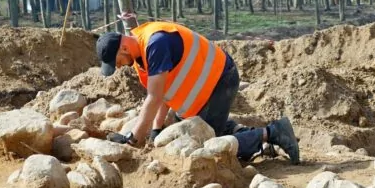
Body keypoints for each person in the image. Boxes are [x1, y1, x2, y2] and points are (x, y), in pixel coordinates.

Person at [96, 21, 300, 164]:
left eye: (117, 62)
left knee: (210, 145)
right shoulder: (140, 53)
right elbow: (163, 92)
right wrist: (156, 129)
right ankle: (260, 139)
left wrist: (134, 138)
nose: (120, 67)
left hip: (219, 79)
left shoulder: (155, 44)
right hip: (202, 93)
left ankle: (273, 133)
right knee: (199, 132)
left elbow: (154, 96)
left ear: (123, 48)